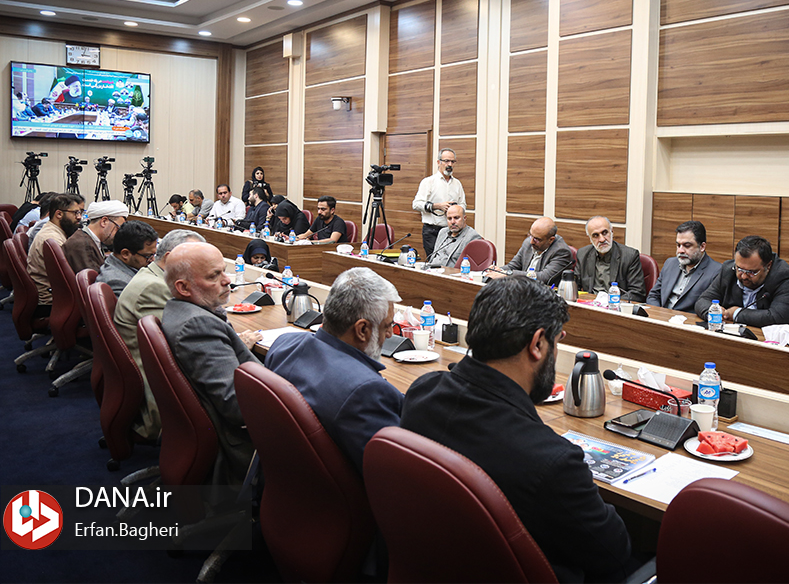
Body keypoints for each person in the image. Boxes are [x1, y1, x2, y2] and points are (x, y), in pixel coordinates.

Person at [401, 277, 632, 582]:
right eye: (556, 342)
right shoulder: (552, 461)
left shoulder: (421, 393)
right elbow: (614, 554)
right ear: (537, 344)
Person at [266, 267, 402, 473]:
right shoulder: (366, 392)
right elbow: (394, 473)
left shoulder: (284, 345)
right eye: (387, 326)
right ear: (362, 330)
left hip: (283, 480)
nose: (390, 334)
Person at [162, 243, 263, 489]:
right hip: (242, 443)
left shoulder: (179, 310)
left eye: (224, 271)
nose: (227, 280)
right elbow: (236, 404)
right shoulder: (197, 326)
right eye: (213, 276)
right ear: (183, 287)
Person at [113, 229, 206, 440]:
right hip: (160, 399)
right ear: (171, 258)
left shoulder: (151, 276)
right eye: (199, 261)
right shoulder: (155, 288)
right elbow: (192, 345)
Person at [695, 235, 789, 327]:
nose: (743, 276)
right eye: (739, 269)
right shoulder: (728, 270)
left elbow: (776, 317)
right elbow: (703, 300)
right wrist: (717, 313)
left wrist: (735, 313)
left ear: (768, 266)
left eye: (751, 272)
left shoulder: (785, 277)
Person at [27, 193, 85, 317]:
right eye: (75, 213)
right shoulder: (52, 239)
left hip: (51, 297)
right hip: (50, 303)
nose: (79, 217)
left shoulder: (55, 231)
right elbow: (70, 276)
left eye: (80, 212)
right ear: (59, 214)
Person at [646, 220, 722, 313]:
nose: (680, 251)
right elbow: (653, 295)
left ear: (702, 247)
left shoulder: (716, 271)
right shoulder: (670, 263)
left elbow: (710, 308)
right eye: (678, 245)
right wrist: (659, 314)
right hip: (662, 317)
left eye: (687, 245)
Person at [574, 216, 647, 302]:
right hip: (591, 305)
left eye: (605, 233)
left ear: (612, 232)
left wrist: (610, 301)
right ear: (590, 239)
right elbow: (575, 286)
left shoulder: (629, 256)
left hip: (616, 306)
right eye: (595, 235)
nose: (602, 239)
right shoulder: (583, 254)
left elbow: (637, 293)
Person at [487, 217, 573, 286]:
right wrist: (499, 270)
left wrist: (508, 274)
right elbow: (513, 265)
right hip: (523, 288)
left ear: (551, 240)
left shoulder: (561, 251)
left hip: (543, 294)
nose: (531, 242)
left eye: (537, 239)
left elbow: (543, 277)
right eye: (531, 235)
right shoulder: (528, 242)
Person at [412, 148, 466, 259]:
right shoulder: (428, 182)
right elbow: (416, 204)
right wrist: (437, 206)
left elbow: (463, 205)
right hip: (432, 231)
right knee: (434, 262)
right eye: (446, 161)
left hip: (452, 231)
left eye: (452, 161)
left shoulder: (457, 184)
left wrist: (454, 209)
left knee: (450, 261)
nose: (449, 164)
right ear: (438, 162)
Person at [63, 199, 128, 274]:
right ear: (104, 221)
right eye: (117, 228)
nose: (118, 233)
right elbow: (95, 279)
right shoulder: (82, 244)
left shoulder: (90, 240)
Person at [96, 220, 158, 296]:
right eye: (148, 256)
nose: (153, 260)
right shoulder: (117, 283)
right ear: (125, 254)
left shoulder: (119, 266)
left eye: (154, 255)